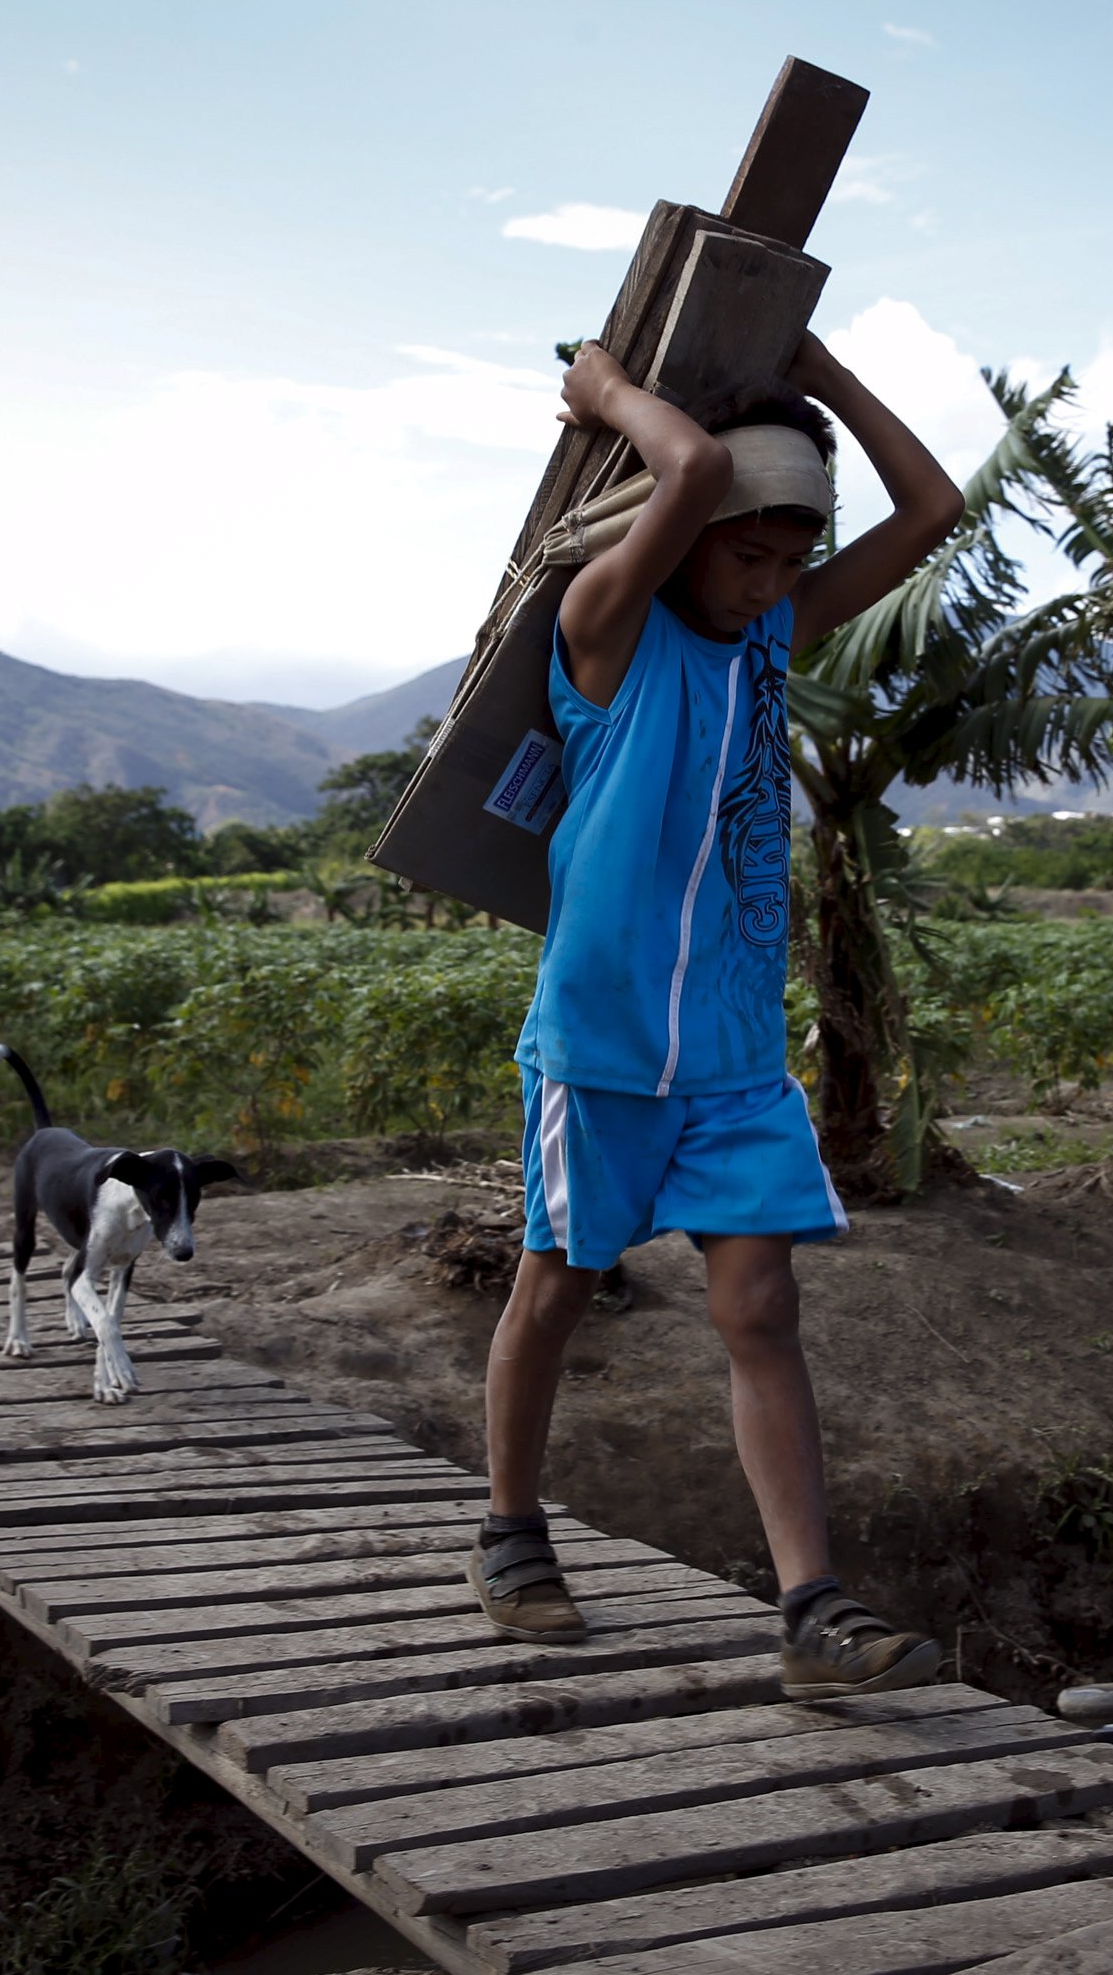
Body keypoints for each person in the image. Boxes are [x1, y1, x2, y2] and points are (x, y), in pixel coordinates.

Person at [469, 329, 963, 1699]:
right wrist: (609, 393)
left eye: (793, 565)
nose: (773, 586)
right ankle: (510, 1531)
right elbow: (682, 462)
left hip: (737, 1055)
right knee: (559, 1283)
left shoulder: (771, 640)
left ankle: (814, 1609)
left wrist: (828, 372)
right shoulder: (607, 633)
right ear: (684, 539)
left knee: (763, 1307)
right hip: (606, 1045)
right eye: (750, 556)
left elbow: (935, 512)